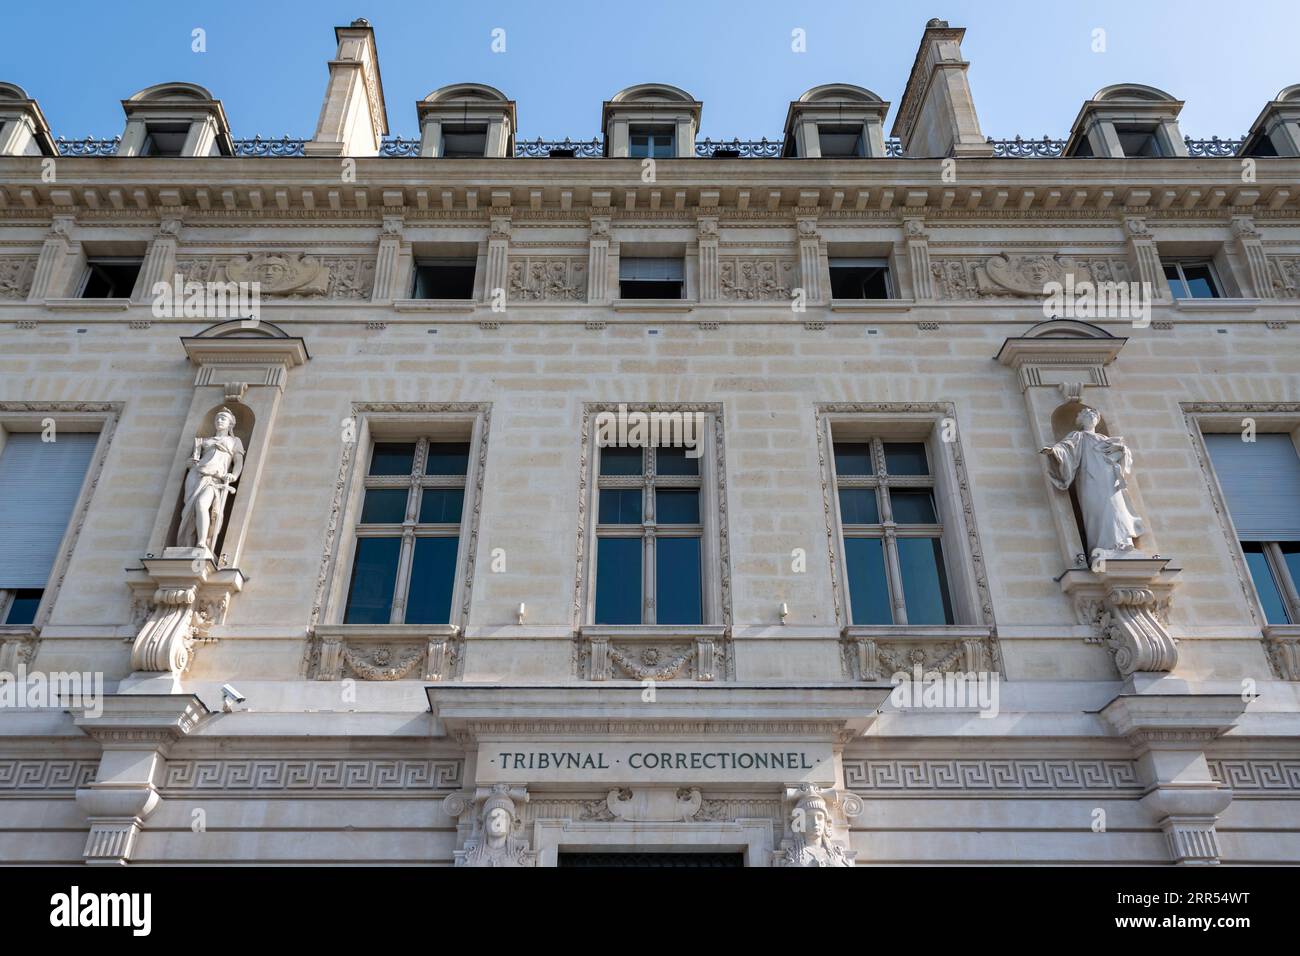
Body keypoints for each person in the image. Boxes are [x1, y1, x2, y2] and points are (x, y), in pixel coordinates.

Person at [1041, 406, 1146, 571]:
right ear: (1080, 421)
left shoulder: (1105, 438)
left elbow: (1125, 461)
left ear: (1097, 419)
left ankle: (1122, 544)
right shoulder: (1078, 436)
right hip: (1090, 480)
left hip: (1110, 481)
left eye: (1093, 414)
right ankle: (1103, 546)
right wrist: (1054, 451)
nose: (1090, 416)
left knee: (1116, 510)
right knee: (1097, 511)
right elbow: (1066, 448)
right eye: (1085, 414)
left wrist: (1122, 451)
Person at [176, 407, 245, 556]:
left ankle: (202, 541)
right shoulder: (204, 441)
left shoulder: (234, 441)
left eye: (223, 418)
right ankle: (188, 542)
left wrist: (233, 475)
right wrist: (191, 462)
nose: (219, 421)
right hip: (196, 475)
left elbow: (238, 461)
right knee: (189, 509)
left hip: (214, 479)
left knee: (202, 504)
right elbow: (194, 461)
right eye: (217, 418)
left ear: (230, 424)